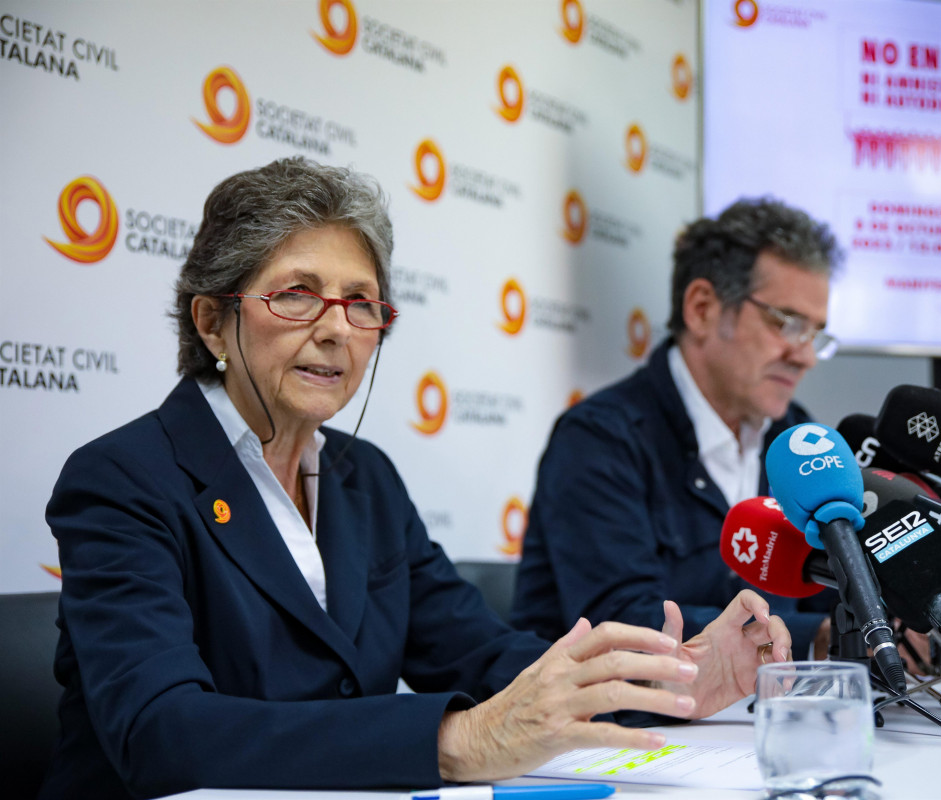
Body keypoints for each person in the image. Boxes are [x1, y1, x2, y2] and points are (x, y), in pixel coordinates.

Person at [40, 158, 792, 800]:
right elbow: (163, 734)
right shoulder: (121, 479)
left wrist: (668, 679)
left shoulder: (364, 478)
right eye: (296, 294)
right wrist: (455, 740)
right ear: (211, 322)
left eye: (361, 303)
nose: (336, 329)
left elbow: (484, 655)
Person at [512, 198, 841, 656]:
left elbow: (837, 591)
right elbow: (622, 624)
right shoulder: (599, 439)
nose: (805, 356)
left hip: (763, 718)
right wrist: (821, 640)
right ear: (702, 308)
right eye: (787, 324)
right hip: (619, 722)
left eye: (816, 334)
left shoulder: (799, 439)